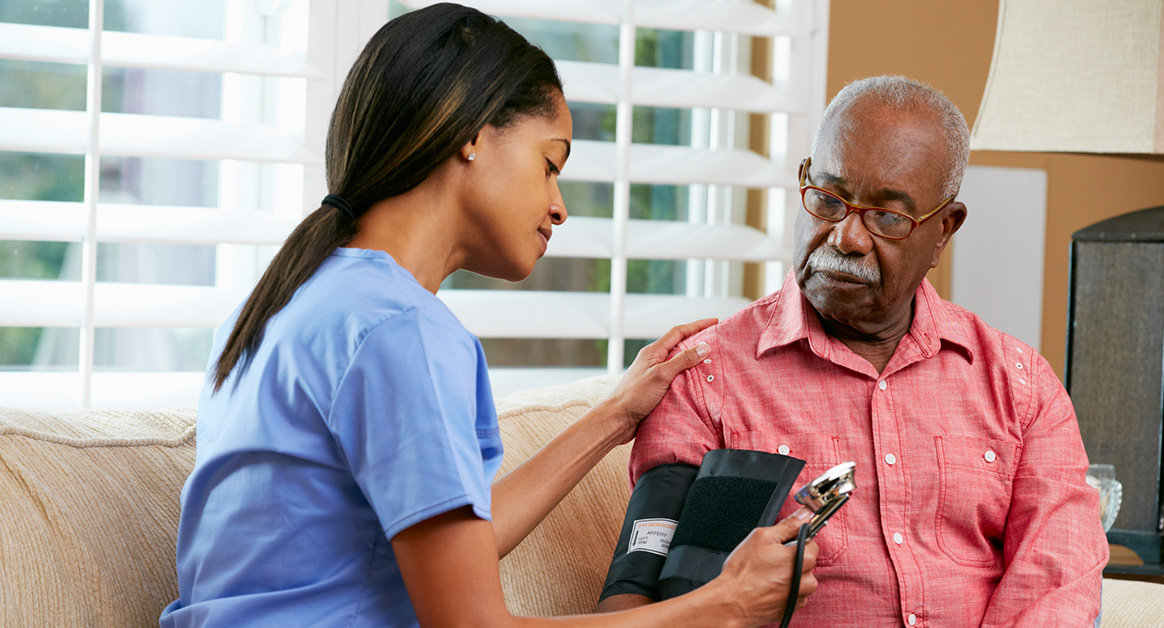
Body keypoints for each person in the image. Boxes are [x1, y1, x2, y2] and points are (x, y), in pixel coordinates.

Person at [159, 3, 819, 627]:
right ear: (471, 135)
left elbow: (447, 553)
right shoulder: (400, 331)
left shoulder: (295, 301)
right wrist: (721, 606)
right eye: (550, 164)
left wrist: (616, 415)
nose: (559, 206)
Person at [596, 75, 1109, 626]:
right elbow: (638, 593)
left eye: (887, 217)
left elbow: (1056, 585)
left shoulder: (1020, 385)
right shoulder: (705, 376)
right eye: (828, 199)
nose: (847, 237)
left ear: (943, 231)